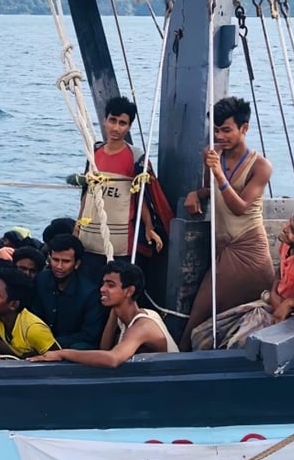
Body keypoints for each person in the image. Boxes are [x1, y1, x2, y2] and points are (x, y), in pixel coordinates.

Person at [181, 96, 276, 349]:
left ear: (244, 128)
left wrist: (218, 172)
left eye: (226, 130)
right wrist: (196, 193)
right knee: (216, 311)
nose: (219, 136)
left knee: (201, 309)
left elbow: (240, 207)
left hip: (247, 247)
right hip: (221, 244)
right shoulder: (212, 155)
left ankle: (179, 356)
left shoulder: (261, 166)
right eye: (215, 130)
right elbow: (212, 189)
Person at [191, 201, 294, 350]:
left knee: (238, 346)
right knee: (203, 335)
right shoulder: (288, 243)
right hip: (271, 303)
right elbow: (279, 272)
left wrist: (291, 303)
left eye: (293, 232)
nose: (285, 229)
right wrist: (273, 292)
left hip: (290, 316)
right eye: (289, 223)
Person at [76, 97, 163, 283]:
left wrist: (149, 227)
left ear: (129, 126)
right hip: (89, 238)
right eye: (112, 120)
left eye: (122, 123)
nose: (116, 128)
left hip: (121, 242)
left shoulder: (135, 158)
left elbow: (142, 197)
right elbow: (87, 194)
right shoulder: (94, 153)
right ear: (105, 120)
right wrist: (77, 226)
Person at [30, 260, 178, 367]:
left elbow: (112, 359)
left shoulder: (143, 326)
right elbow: (104, 349)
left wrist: (62, 353)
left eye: (110, 285)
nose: (102, 289)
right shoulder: (122, 313)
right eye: (103, 284)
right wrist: (114, 313)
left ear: (129, 291)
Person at [30, 235, 106, 349]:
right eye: (55, 260)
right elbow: (34, 315)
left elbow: (90, 334)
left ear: (77, 263)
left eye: (66, 261)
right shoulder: (41, 280)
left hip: (70, 350)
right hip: (40, 343)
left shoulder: (90, 292)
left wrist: (54, 344)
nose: (59, 266)